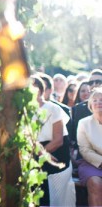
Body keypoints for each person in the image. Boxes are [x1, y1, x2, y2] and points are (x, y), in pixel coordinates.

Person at [31, 76, 75, 207]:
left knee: (58, 199)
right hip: (35, 154)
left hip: (57, 154)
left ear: (40, 89)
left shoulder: (53, 108)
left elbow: (58, 139)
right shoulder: (24, 111)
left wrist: (44, 153)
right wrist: (39, 154)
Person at [77, 88, 102, 206]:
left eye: (101, 100)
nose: (98, 102)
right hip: (91, 163)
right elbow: (84, 149)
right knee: (95, 184)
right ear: (90, 105)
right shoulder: (83, 123)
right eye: (95, 100)